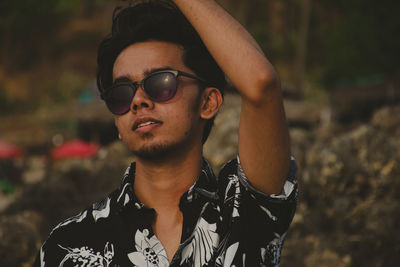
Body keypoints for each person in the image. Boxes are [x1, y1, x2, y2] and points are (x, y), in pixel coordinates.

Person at [34, 0, 298, 266]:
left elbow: (261, 85)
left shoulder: (245, 211)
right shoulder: (67, 245)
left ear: (208, 103)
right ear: (117, 124)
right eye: (122, 94)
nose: (138, 100)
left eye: (160, 83)